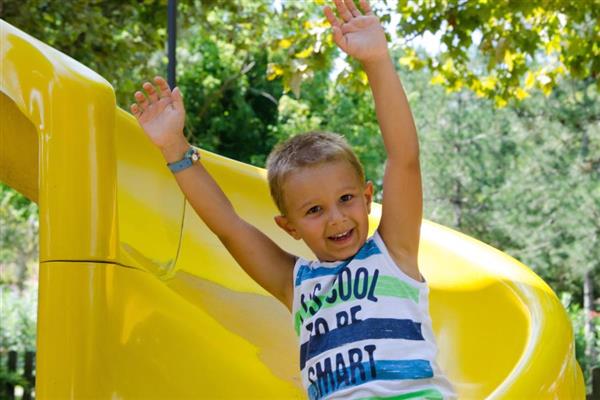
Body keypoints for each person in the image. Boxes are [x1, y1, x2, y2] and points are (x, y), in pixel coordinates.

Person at [130, 0, 456, 398]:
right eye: (314, 210)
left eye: (346, 198)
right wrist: (174, 148)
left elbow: (404, 158)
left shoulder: (393, 253)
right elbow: (229, 227)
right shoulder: (295, 284)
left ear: (368, 197)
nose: (336, 218)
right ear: (289, 227)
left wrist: (376, 61)